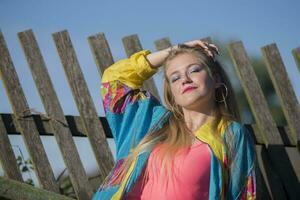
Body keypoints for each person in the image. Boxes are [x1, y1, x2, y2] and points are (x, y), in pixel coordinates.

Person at [92, 40, 257, 200]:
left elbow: (242, 195)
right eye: (175, 78)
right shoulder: (151, 122)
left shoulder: (231, 134)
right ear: (172, 93)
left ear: (216, 79)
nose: (185, 79)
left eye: (194, 70)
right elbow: (114, 80)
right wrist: (172, 51)